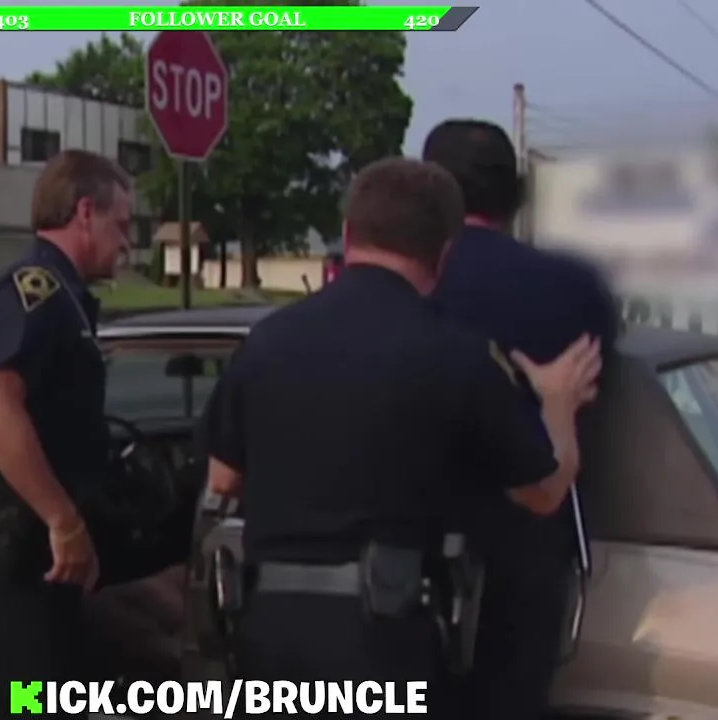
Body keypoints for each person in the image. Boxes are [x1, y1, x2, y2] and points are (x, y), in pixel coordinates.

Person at [200, 157, 601, 717]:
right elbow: (543, 493)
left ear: (347, 235)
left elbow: (224, 478)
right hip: (382, 636)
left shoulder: (266, 340)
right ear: (445, 253)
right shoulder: (457, 354)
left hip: (269, 634)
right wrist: (558, 406)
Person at [422, 119, 620, 720]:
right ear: (515, 197)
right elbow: (597, 388)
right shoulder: (576, 286)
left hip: (411, 555)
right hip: (530, 553)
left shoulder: (410, 284)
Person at [0, 149, 133, 718]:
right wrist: (62, 520)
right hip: (8, 550)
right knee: (25, 702)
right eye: (122, 224)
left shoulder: (65, 296)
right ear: (85, 213)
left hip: (33, 550)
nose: (127, 242)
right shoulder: (36, 290)